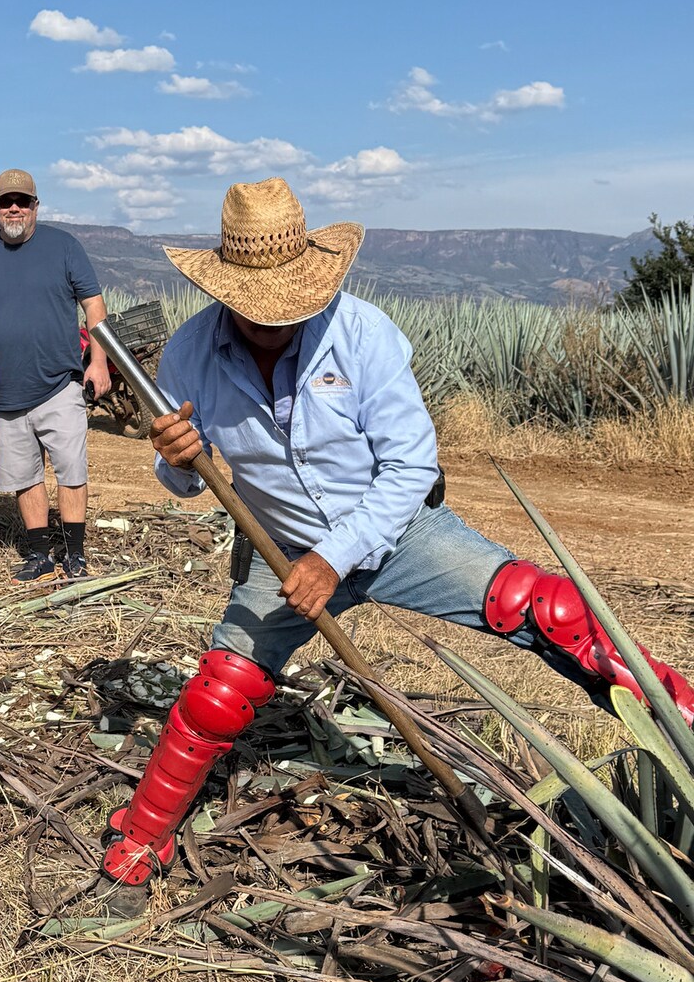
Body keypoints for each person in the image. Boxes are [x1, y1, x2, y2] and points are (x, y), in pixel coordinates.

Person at [100, 175, 694, 887]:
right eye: (255, 307)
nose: (271, 320)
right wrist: (175, 457)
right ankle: (140, 842)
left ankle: (683, 735)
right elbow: (192, 481)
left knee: (552, 611)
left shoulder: (362, 334)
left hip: (395, 533)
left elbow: (411, 466)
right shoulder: (190, 353)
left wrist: (336, 554)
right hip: (279, 545)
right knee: (216, 693)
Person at [0, 168, 111, 581]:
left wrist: (98, 361)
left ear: (36, 206)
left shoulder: (64, 247)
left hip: (59, 383)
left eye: (22, 201)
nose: (14, 208)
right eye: (6, 202)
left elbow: (94, 305)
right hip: (7, 392)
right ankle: (40, 556)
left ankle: (75, 556)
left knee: (71, 471)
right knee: (25, 476)